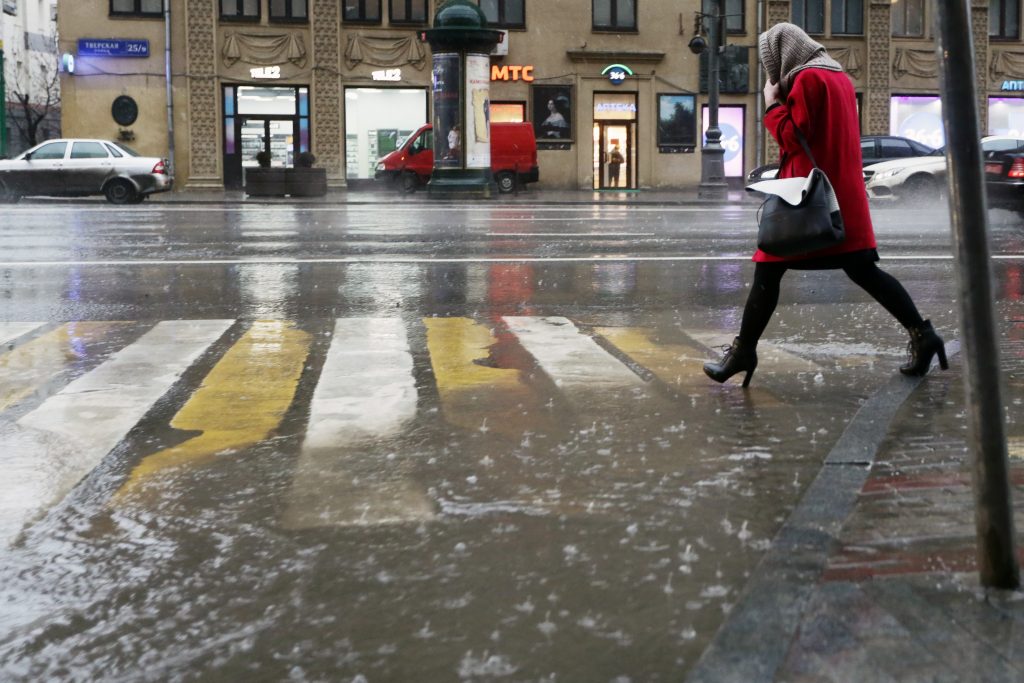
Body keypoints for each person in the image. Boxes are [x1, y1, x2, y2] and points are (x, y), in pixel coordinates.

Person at [703, 22, 947, 387]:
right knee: (863, 270)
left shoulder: (807, 80)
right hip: (841, 196)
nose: (774, 73)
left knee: (768, 271)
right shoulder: (840, 79)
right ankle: (923, 334)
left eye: (773, 63)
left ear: (784, 56)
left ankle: (743, 352)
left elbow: (792, 136)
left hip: (808, 199)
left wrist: (772, 105)